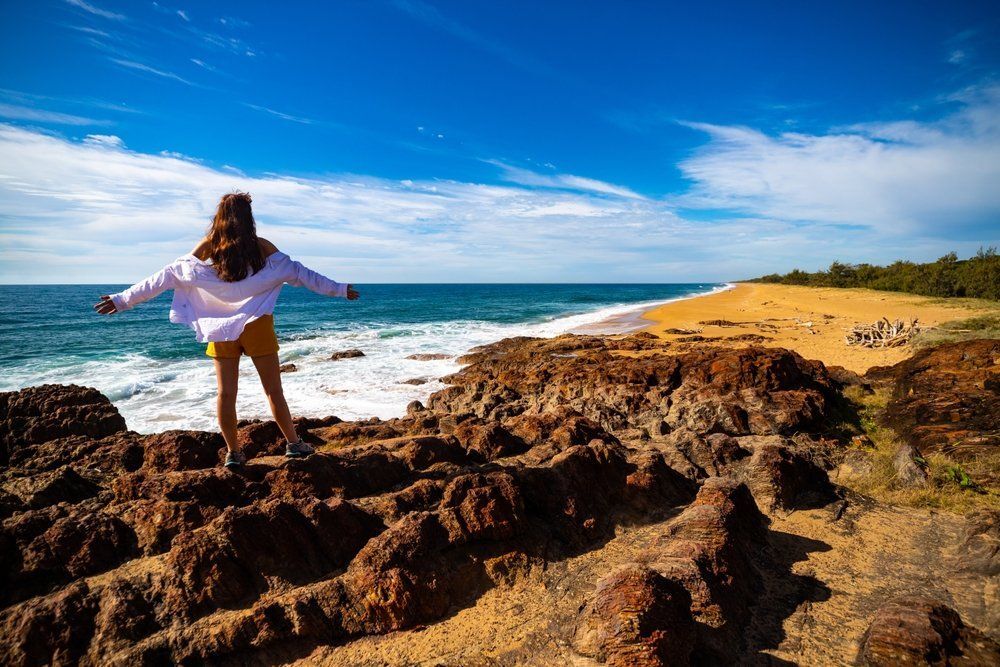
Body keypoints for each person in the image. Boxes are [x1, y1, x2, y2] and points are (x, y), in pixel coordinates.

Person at [94, 191, 359, 468]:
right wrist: (339, 289)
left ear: (219, 217)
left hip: (219, 329)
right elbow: (300, 273)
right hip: (257, 326)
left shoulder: (210, 246)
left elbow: (168, 274)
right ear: (249, 218)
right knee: (273, 391)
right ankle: (293, 444)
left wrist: (123, 300)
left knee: (225, 394)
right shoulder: (261, 246)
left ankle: (233, 452)